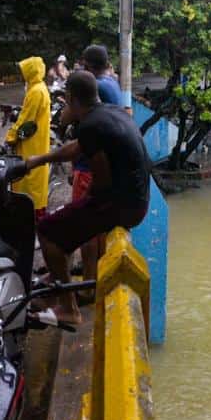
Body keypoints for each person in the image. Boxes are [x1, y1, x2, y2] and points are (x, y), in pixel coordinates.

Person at [23, 71, 150, 326]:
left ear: (70, 97)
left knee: (48, 231)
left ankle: (69, 309)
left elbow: (100, 182)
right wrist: (37, 161)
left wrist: (81, 209)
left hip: (121, 205)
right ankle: (53, 287)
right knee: (66, 227)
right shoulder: (109, 112)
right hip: (137, 200)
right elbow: (77, 148)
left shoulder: (90, 125)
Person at [70, 45, 123, 283]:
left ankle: (87, 283)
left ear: (88, 65)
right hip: (106, 162)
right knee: (99, 227)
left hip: (89, 165)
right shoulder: (112, 82)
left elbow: (69, 116)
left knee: (84, 225)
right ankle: (96, 277)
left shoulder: (97, 86)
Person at [7, 57, 51, 220]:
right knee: (34, 179)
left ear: (30, 71)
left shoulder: (35, 92)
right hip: (37, 142)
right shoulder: (39, 88)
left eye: (24, 70)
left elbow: (26, 119)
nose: (21, 74)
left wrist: (11, 137)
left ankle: (28, 217)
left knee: (28, 180)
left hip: (31, 144)